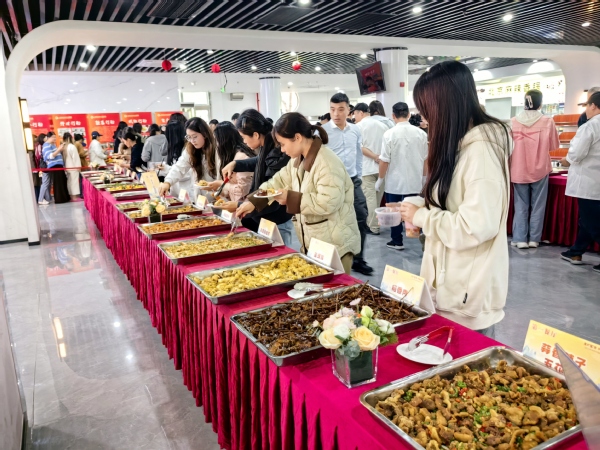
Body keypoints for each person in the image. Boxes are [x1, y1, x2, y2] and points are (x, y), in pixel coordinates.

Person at [399, 61, 512, 337]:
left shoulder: (482, 151)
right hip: (450, 285)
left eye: (428, 111)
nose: (426, 120)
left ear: (447, 107)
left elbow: (475, 227)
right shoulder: (461, 145)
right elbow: (456, 202)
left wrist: (422, 216)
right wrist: (420, 206)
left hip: (467, 294)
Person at [241, 113, 360, 274]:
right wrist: (254, 201)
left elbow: (328, 202)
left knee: (337, 288)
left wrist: (290, 198)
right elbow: (277, 182)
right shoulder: (297, 161)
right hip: (316, 242)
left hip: (335, 245)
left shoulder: (327, 162)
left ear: (297, 137)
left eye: (283, 144)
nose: (282, 150)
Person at [222, 109, 293, 245]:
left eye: (244, 137)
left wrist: (241, 204)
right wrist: (235, 164)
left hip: (277, 220)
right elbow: (259, 161)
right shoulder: (267, 147)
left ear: (255, 135)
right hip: (266, 219)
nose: (244, 141)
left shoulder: (277, 151)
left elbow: (272, 190)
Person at [322, 93, 374, 275]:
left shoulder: (355, 130)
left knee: (361, 215)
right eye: (332, 109)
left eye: (340, 109)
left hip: (352, 180)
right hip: (331, 183)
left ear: (349, 110)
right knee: (332, 221)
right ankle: (331, 259)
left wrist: (358, 175)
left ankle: (358, 259)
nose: (336, 114)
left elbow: (358, 154)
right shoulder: (322, 132)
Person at [510, 89, 559, 249]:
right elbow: (554, 146)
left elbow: (508, 148)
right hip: (540, 168)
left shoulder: (513, 121)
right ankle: (534, 239)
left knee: (520, 204)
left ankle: (520, 239)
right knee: (538, 205)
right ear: (540, 103)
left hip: (518, 169)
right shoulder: (548, 121)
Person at [379, 102, 428, 250]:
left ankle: (397, 241)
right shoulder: (421, 134)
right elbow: (426, 159)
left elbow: (384, 160)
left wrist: (380, 179)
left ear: (393, 116)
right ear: (408, 115)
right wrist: (424, 178)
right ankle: (416, 237)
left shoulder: (389, 134)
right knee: (414, 209)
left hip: (394, 182)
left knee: (394, 212)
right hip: (415, 180)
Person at [560, 91, 600, 273]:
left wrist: (566, 160)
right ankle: (576, 252)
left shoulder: (590, 126)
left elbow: (577, 153)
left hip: (588, 182)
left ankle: (576, 252)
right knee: (587, 220)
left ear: (593, 106)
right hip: (595, 182)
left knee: (593, 222)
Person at [159, 117, 219, 197]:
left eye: (195, 136)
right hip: (200, 197)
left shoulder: (217, 149)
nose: (192, 141)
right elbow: (179, 167)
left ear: (204, 134)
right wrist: (167, 182)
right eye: (189, 137)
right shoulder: (190, 149)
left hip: (217, 196)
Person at [353, 102, 388, 236]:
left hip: (367, 168)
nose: (354, 117)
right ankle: (375, 224)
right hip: (382, 168)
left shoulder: (358, 127)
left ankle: (373, 227)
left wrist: (374, 156)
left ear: (361, 113)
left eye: (355, 114)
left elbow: (360, 147)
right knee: (377, 199)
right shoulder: (383, 125)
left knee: (370, 199)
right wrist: (380, 158)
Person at [209, 122, 255, 208]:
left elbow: (242, 190)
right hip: (239, 206)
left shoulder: (241, 157)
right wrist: (220, 191)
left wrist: (221, 184)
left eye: (217, 141)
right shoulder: (231, 155)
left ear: (223, 141)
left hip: (246, 208)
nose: (216, 145)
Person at [42, 132, 70, 204]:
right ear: (48, 138)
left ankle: (65, 198)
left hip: (59, 165)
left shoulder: (53, 145)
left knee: (62, 182)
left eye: (55, 137)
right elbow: (50, 156)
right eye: (53, 137)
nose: (55, 138)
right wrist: (59, 149)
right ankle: (60, 199)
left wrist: (60, 150)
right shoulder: (46, 145)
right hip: (54, 166)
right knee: (58, 183)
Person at [62, 133, 81, 201]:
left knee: (69, 182)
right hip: (73, 166)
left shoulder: (64, 147)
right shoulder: (72, 146)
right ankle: (74, 197)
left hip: (67, 167)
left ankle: (71, 196)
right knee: (74, 182)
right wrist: (78, 167)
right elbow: (75, 158)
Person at [33, 133, 46, 201]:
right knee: (38, 183)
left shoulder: (36, 146)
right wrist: (34, 169)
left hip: (38, 167)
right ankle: (39, 198)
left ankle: (40, 197)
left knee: (40, 182)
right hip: (36, 168)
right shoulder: (38, 146)